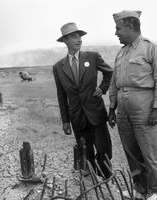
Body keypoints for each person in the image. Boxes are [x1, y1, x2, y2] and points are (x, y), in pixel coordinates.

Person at [108, 10, 157, 200]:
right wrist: (112, 108)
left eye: (118, 28)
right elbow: (114, 82)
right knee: (132, 153)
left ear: (130, 26)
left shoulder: (151, 48)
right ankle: (141, 191)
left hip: (145, 110)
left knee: (149, 154)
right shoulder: (121, 52)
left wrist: (156, 108)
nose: (116, 33)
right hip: (123, 112)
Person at [53, 22, 113, 179]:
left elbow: (109, 73)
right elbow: (61, 96)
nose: (79, 40)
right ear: (65, 40)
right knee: (85, 151)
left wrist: (103, 88)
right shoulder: (58, 67)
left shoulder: (93, 57)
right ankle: (92, 180)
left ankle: (106, 179)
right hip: (77, 117)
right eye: (74, 37)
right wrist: (65, 121)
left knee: (103, 149)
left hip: (95, 113)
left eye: (80, 36)